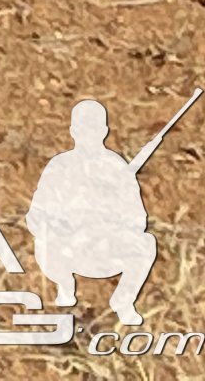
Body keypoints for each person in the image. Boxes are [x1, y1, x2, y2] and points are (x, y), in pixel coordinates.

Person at [28, 101, 160, 324]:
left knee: (146, 243)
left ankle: (124, 301)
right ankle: (64, 287)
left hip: (104, 248)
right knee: (45, 240)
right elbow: (36, 214)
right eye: (82, 129)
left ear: (104, 131)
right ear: (73, 131)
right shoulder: (59, 165)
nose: (88, 135)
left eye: (94, 129)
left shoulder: (116, 167)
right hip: (67, 247)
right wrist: (62, 225)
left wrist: (111, 219)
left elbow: (138, 218)